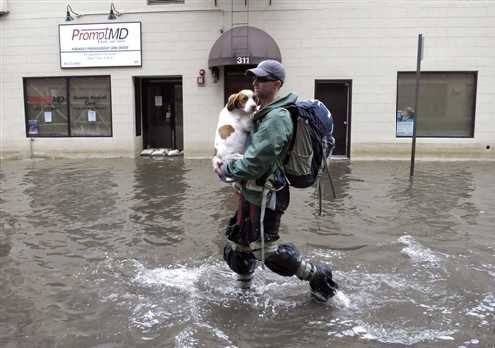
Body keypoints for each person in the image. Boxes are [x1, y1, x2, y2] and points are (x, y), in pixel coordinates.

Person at [212, 60, 338, 302]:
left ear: (277, 84)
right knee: (239, 244)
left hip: (268, 194)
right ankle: (244, 293)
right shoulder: (263, 113)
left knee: (268, 252)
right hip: (251, 191)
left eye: (261, 79)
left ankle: (319, 278)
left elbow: (256, 162)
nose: (255, 83)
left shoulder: (276, 118)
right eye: (254, 79)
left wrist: (228, 167)